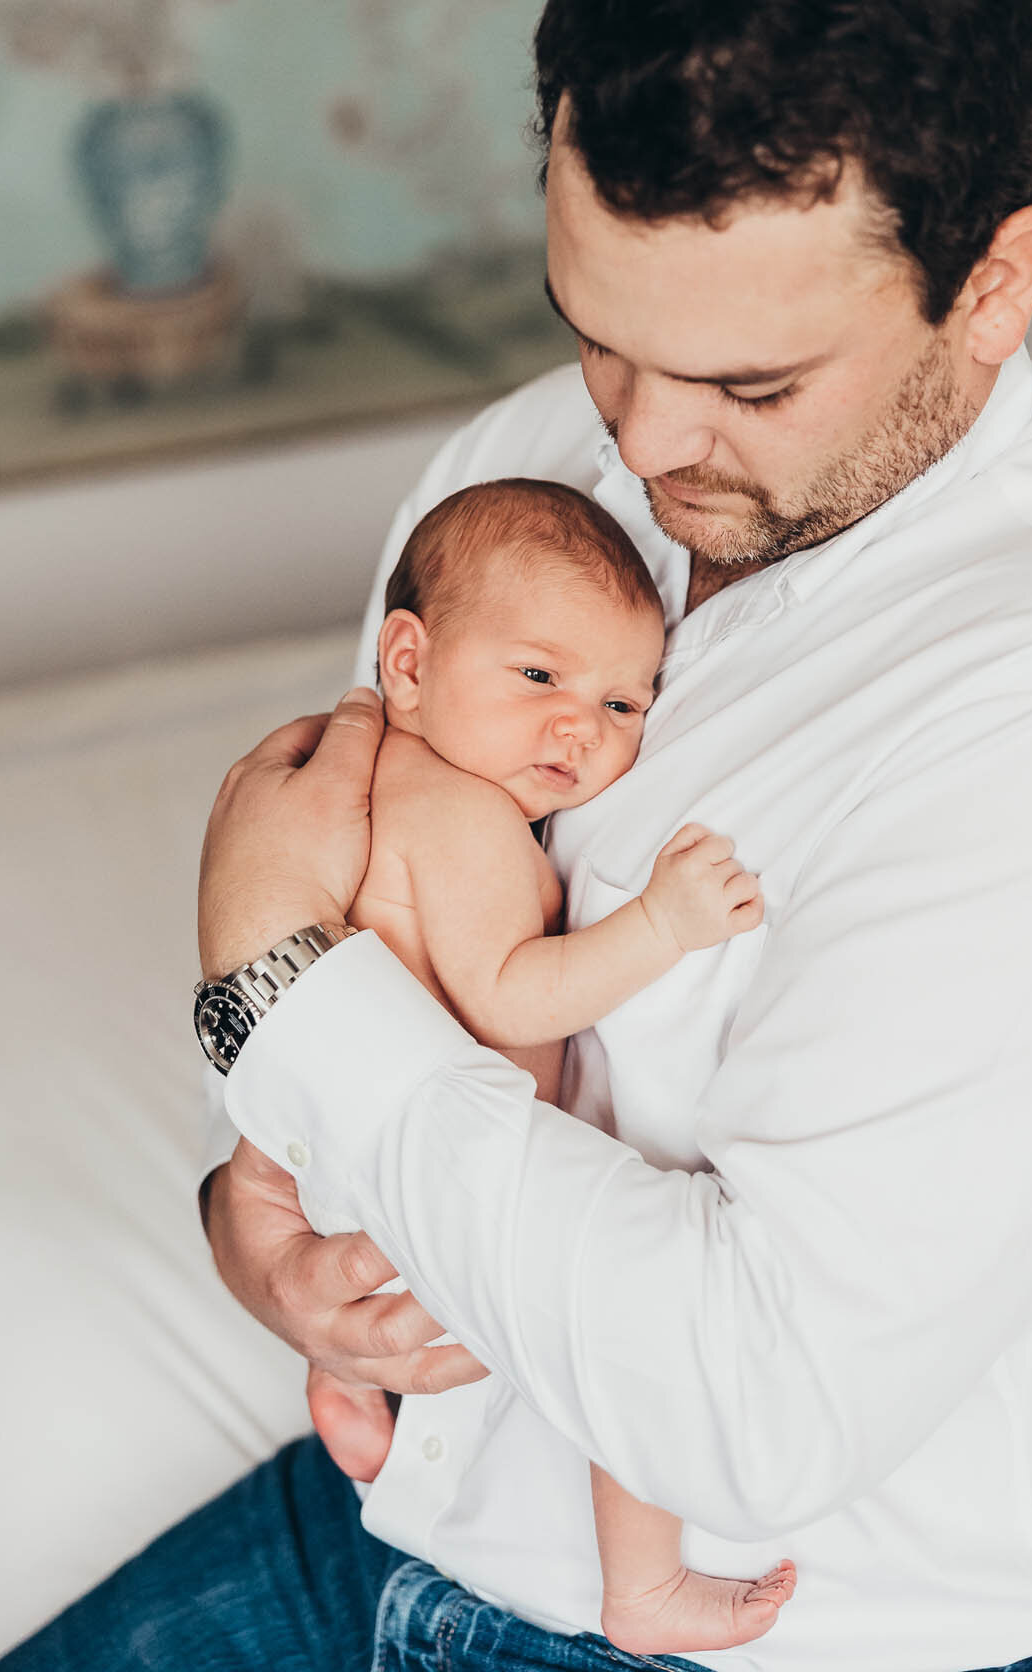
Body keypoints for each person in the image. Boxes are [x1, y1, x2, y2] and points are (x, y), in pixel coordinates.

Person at [0, 0, 1032, 1670]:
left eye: (748, 385)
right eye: (595, 329)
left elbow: (748, 1410)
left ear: (995, 286)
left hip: (777, 1637)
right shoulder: (531, 459)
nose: (637, 439)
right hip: (400, 1518)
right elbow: (341, 910)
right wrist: (255, 1226)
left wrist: (284, 1010)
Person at [308, 474, 796, 1655]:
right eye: (539, 677)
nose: (584, 727)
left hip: (362, 1165)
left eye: (627, 702)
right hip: (438, 1173)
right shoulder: (456, 815)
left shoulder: (388, 784)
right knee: (630, 1334)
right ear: (409, 663)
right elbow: (515, 989)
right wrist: (662, 926)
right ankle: (644, 1588)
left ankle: (340, 1394)